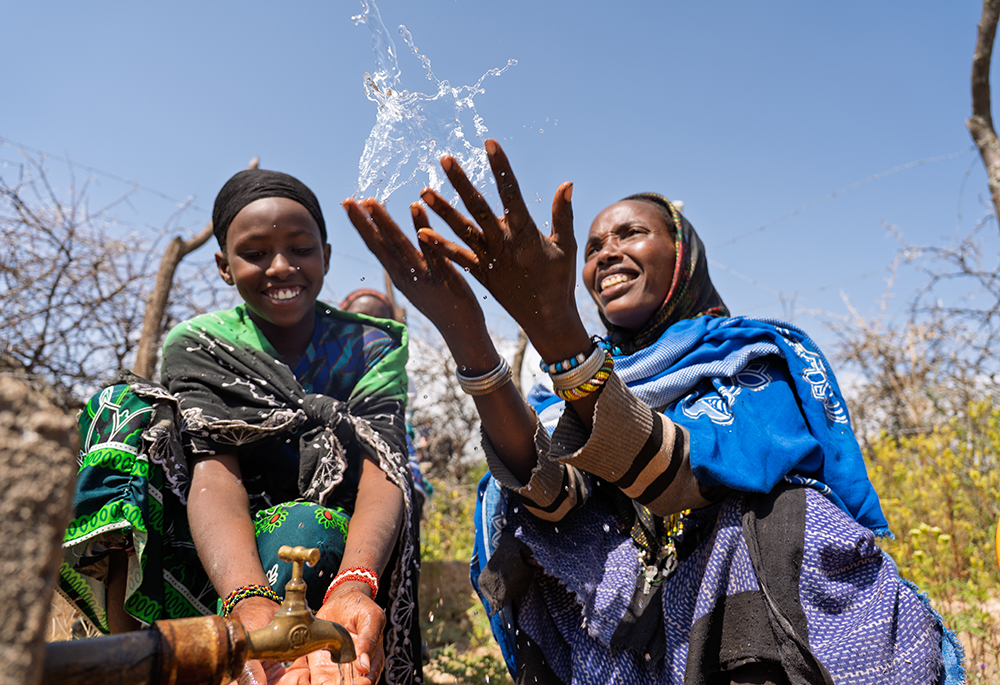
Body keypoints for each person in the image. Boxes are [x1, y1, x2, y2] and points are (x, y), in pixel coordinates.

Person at [343, 140, 965, 685]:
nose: (606, 253)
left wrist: (555, 331)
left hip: (758, 619)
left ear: (683, 254)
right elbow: (551, 498)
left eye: (630, 234)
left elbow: (678, 480)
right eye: (592, 246)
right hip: (633, 637)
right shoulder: (571, 382)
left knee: (776, 514)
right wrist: (469, 337)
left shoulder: (748, 357)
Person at [60, 169, 423, 685]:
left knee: (307, 527)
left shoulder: (370, 346)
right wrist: (247, 601)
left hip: (337, 537)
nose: (281, 267)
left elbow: (383, 467)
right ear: (223, 266)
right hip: (222, 545)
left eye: (300, 249)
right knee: (122, 409)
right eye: (255, 253)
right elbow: (213, 472)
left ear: (326, 254)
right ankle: (134, 648)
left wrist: (355, 586)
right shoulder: (200, 344)